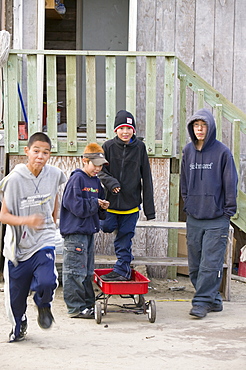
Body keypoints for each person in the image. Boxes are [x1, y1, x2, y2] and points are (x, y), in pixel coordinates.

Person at [0, 132, 66, 342]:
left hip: (43, 241)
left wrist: (53, 221)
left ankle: (43, 305)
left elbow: (55, 195)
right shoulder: (15, 179)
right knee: (15, 299)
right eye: (36, 151)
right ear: (27, 151)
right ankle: (19, 326)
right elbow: (4, 216)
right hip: (18, 247)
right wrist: (27, 221)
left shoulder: (54, 174)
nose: (40, 156)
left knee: (47, 281)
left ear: (50, 154)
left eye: (45, 152)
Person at [180, 108, 238, 318]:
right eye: (196, 126)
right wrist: (189, 205)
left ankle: (202, 302)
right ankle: (213, 299)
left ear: (210, 127)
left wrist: (227, 213)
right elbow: (184, 182)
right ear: (192, 128)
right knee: (195, 266)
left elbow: (230, 183)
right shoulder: (188, 151)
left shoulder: (222, 152)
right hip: (194, 217)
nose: (200, 129)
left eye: (203, 125)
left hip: (216, 219)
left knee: (210, 264)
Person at [98, 110, 155, 281]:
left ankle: (122, 270)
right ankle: (122, 265)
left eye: (129, 128)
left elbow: (147, 176)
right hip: (110, 204)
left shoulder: (140, 148)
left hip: (130, 205)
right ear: (116, 130)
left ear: (134, 131)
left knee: (125, 238)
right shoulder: (107, 146)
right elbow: (99, 170)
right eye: (122, 128)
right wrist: (112, 183)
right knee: (107, 227)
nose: (125, 132)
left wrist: (149, 210)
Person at [59, 143, 109, 318]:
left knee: (87, 272)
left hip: (88, 232)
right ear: (84, 160)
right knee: (74, 271)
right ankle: (76, 308)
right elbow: (75, 206)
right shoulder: (77, 179)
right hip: (75, 233)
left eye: (100, 165)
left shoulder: (96, 182)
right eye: (94, 164)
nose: (98, 168)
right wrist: (95, 203)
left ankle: (88, 305)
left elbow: (98, 208)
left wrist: (103, 206)